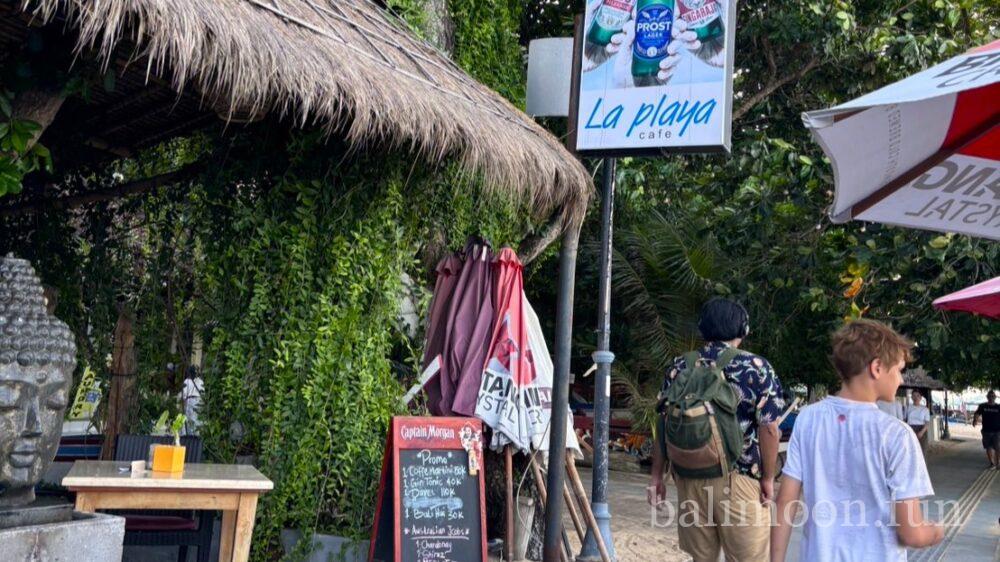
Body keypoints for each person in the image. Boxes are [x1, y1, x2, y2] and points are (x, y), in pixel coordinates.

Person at [771, 320, 943, 562]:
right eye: (899, 369)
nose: (901, 380)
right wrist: (935, 531)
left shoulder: (808, 419)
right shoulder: (897, 435)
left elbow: (785, 501)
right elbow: (911, 534)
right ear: (877, 368)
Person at [649, 297, 784, 562]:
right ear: (742, 330)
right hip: (740, 480)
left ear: (702, 329)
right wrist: (768, 478)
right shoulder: (756, 368)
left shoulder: (680, 365)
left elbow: (663, 422)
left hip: (689, 479)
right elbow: (769, 429)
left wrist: (656, 477)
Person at [972, 390, 1000, 469]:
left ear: (995, 397)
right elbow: (977, 413)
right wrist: (975, 420)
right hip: (986, 430)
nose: (991, 398)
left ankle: (998, 463)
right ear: (987, 397)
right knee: (988, 447)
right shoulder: (983, 406)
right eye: (990, 396)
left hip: (997, 431)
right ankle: (992, 463)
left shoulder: (998, 407)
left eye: (993, 396)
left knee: (998, 447)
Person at [179, 366, 204, 436]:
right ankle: (192, 435)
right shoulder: (188, 381)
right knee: (191, 419)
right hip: (192, 400)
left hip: (195, 400)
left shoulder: (189, 381)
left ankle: (195, 435)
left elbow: (184, 395)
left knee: (194, 419)